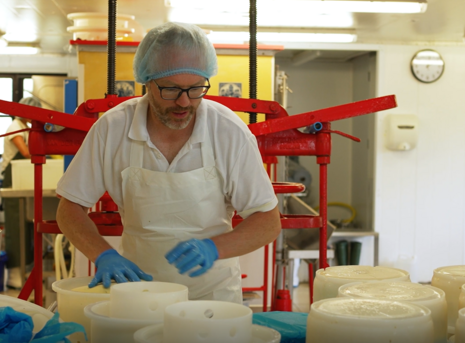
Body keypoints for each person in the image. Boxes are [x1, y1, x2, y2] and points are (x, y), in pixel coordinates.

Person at [56, 22, 281, 303]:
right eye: (171, 89)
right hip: (138, 291)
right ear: (147, 81)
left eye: (196, 88)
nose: (184, 102)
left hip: (212, 299)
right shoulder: (112, 128)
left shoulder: (228, 131)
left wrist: (214, 248)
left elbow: (268, 221)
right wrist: (103, 254)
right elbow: (70, 207)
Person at [2, 96, 42, 289]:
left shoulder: (25, 127)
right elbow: (26, 153)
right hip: (12, 182)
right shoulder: (15, 126)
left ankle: (25, 271)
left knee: (25, 229)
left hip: (22, 180)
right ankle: (14, 276)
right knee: (15, 226)